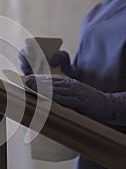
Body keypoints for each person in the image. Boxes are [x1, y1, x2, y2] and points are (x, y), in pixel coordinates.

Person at [19, 0, 126, 169]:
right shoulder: (101, 10)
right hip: (91, 151)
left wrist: (112, 106)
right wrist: (63, 74)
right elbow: (98, 81)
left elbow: (102, 99)